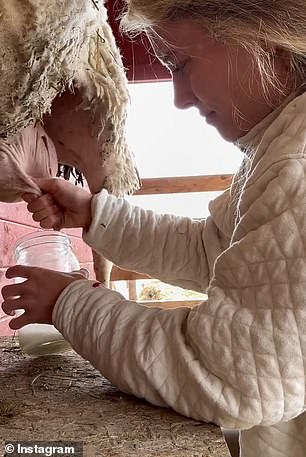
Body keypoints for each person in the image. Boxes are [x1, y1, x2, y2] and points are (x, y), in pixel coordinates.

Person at [2, 1, 306, 456]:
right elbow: (214, 250)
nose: (180, 98)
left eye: (180, 66)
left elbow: (229, 378)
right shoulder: (282, 145)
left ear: (264, 34)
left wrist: (69, 303)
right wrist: (97, 215)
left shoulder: (294, 165)